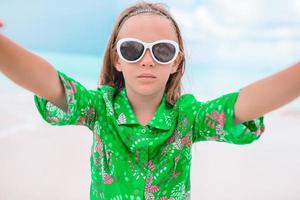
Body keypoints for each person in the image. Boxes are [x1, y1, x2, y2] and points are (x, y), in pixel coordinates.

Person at [0, 1, 299, 200]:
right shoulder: (99, 109)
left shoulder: (189, 116)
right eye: (132, 49)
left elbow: (244, 105)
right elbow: (50, 84)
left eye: (162, 51)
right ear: (117, 59)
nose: (147, 60)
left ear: (176, 63)